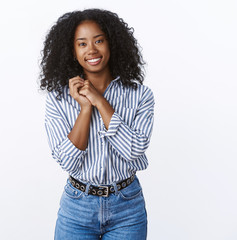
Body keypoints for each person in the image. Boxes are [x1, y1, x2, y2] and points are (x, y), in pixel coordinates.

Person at [39, 8, 155, 240]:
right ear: (72, 51)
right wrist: (85, 108)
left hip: (127, 208)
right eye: (82, 44)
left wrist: (100, 101)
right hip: (77, 208)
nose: (91, 49)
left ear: (111, 43)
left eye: (99, 40)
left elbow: (133, 151)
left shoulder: (141, 95)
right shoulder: (58, 98)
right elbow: (68, 161)